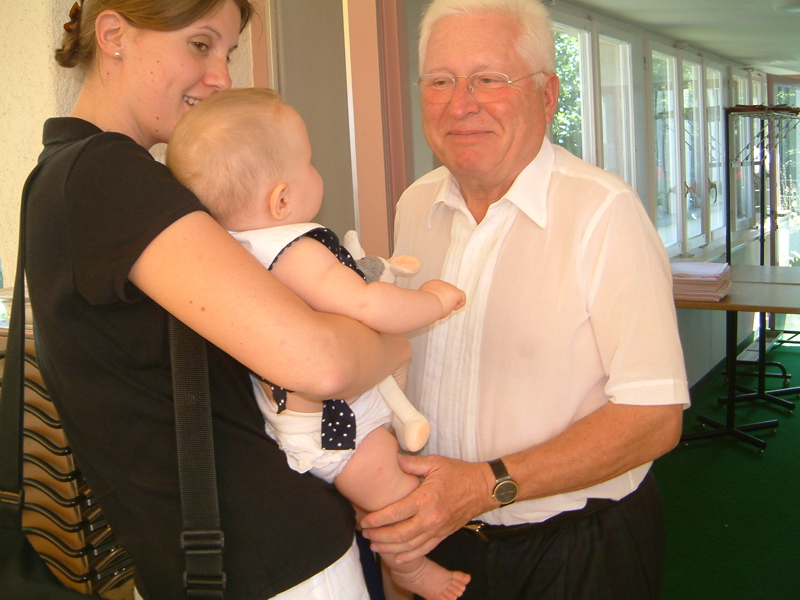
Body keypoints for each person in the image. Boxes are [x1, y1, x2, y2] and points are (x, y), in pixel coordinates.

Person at [24, 2, 412, 599]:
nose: (222, 77)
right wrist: (393, 339)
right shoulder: (108, 176)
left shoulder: (62, 175)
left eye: (226, 52)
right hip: (273, 565)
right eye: (200, 45)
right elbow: (323, 363)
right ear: (113, 36)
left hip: (221, 563)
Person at [360, 1, 691, 599]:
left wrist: (485, 487)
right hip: (442, 539)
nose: (460, 104)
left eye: (489, 79)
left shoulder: (604, 214)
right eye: (440, 81)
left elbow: (654, 419)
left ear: (548, 94)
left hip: (575, 550)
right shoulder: (415, 205)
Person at [166, 87, 470, 600]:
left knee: (376, 491)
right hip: (335, 428)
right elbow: (368, 306)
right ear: (281, 199)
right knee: (401, 502)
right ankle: (411, 570)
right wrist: (435, 301)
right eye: (308, 162)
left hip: (293, 423)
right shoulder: (296, 250)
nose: (317, 172)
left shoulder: (229, 252)